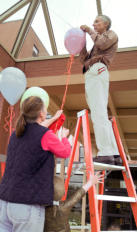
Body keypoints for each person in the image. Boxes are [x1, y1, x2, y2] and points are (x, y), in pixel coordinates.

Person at [0, 96, 71, 232]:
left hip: (4, 203)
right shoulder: (46, 135)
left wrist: (54, 119)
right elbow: (64, 152)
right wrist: (64, 138)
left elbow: (35, 130)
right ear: (41, 114)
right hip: (27, 206)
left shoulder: (15, 135)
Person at [79, 15, 122, 165]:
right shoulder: (95, 43)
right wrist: (81, 45)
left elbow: (102, 43)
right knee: (100, 113)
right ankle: (114, 153)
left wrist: (89, 30)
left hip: (97, 71)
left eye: (97, 21)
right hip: (92, 73)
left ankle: (106, 153)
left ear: (106, 24)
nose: (93, 23)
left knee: (98, 113)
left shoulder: (110, 35)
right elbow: (84, 60)